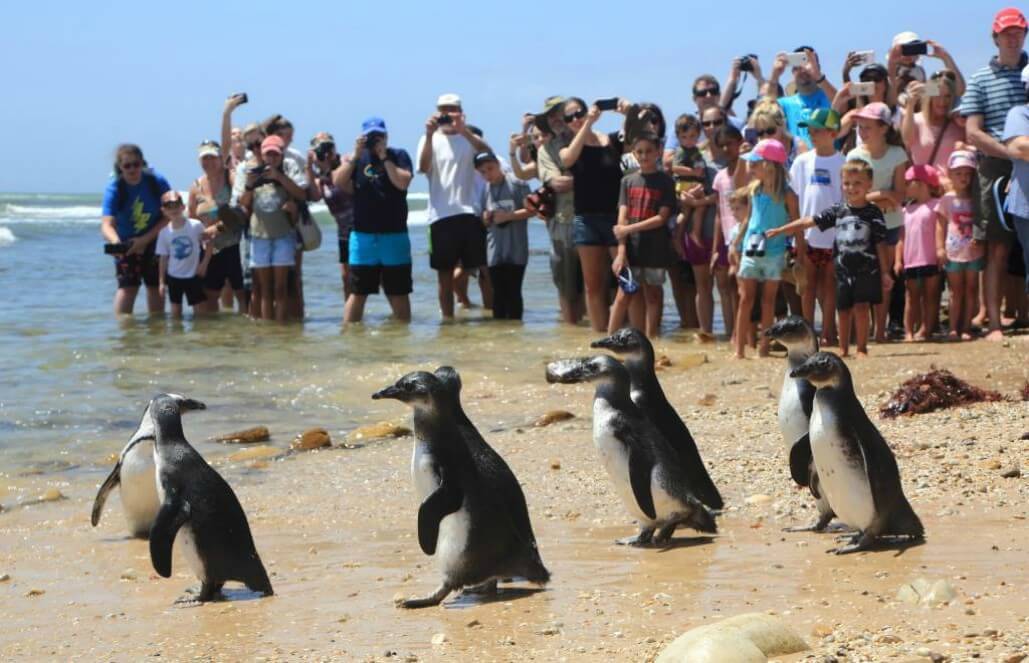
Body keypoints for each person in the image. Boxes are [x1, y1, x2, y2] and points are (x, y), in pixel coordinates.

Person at [768, 160, 892, 357]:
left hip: (867, 269)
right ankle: (843, 349)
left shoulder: (873, 212)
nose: (851, 188)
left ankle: (861, 348)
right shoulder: (838, 210)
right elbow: (809, 221)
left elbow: (881, 243)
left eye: (858, 183)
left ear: (869, 184)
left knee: (861, 308)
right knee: (842, 309)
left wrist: (885, 272)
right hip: (843, 270)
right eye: (847, 183)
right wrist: (782, 230)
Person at [958, 7, 1028, 341]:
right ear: (995, 37)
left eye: (1019, 32)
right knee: (996, 247)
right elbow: (972, 131)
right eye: (1007, 33)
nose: (1014, 38)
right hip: (997, 165)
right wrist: (1010, 153)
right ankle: (995, 323)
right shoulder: (980, 78)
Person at [417, 93, 492, 320]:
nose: (448, 114)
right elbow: (423, 166)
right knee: (444, 276)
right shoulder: (428, 138)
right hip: (440, 216)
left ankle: (492, 318)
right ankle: (447, 321)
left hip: (470, 213)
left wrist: (464, 130)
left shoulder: (467, 138)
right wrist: (430, 135)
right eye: (443, 110)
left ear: (460, 111)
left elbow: (488, 155)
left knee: (483, 271)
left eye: (452, 109)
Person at [560, 97, 628, 332]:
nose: (575, 119)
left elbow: (636, 138)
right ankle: (600, 334)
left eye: (578, 113)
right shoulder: (568, 147)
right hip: (586, 219)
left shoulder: (610, 140)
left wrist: (628, 112)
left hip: (615, 217)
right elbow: (568, 159)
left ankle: (624, 330)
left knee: (625, 278)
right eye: (569, 117)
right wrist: (587, 124)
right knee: (593, 286)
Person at [338, 117, 414, 324]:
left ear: (386, 136)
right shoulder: (355, 158)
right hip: (363, 237)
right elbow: (339, 182)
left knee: (398, 292)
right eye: (371, 136)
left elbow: (402, 183)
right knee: (358, 292)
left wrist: (384, 158)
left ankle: (401, 337)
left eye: (379, 136)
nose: (375, 140)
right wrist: (354, 156)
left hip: (394, 235)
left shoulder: (398, 155)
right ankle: (350, 336)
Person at [847, 101, 909, 341]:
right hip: (862, 225)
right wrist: (883, 195)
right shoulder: (854, 154)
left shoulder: (897, 154)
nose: (862, 132)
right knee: (864, 278)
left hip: (890, 225)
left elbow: (900, 195)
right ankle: (865, 331)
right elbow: (853, 195)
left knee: (885, 279)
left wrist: (875, 198)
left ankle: (880, 331)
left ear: (883, 128)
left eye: (867, 126)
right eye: (860, 127)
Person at [730, 139, 798, 359]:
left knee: (768, 301)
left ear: (769, 165)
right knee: (745, 299)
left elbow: (797, 225)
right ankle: (739, 351)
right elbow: (749, 219)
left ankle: (764, 349)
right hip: (751, 249)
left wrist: (802, 255)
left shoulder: (787, 194)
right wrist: (735, 244)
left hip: (775, 252)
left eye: (756, 163)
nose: (751, 167)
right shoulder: (754, 190)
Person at [609, 133, 677, 338]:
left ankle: (651, 340)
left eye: (649, 151)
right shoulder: (627, 181)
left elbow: (661, 218)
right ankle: (609, 338)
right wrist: (621, 252)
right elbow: (622, 217)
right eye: (639, 151)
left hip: (656, 247)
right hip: (632, 248)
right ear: (633, 154)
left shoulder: (665, 182)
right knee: (624, 295)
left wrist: (629, 229)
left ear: (658, 152)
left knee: (653, 295)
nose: (644, 155)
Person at [236, 135, 307, 323]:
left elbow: (301, 194)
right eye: (269, 155)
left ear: (281, 155)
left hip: (284, 235)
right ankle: (268, 328)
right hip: (258, 235)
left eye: (276, 155)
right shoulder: (252, 171)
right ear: (262, 154)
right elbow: (242, 203)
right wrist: (250, 185)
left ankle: (280, 325)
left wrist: (279, 177)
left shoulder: (288, 169)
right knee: (264, 288)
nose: (272, 159)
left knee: (281, 287)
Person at [790, 109, 845, 345]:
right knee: (807, 286)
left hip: (834, 235)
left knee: (829, 286)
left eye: (818, 130)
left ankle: (829, 331)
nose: (812, 135)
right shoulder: (802, 161)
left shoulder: (843, 162)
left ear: (832, 132)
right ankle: (808, 333)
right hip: (808, 234)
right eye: (810, 131)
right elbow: (795, 196)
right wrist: (798, 236)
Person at [100, 144, 172, 316]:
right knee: (127, 287)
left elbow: (170, 215)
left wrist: (145, 240)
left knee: (155, 286)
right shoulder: (115, 188)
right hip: (127, 242)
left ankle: (156, 331)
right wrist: (117, 244)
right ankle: (124, 334)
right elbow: (106, 224)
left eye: (136, 164)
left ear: (143, 163)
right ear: (120, 168)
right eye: (127, 166)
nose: (132, 169)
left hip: (155, 237)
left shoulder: (157, 181)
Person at [534, 96, 585, 325]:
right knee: (565, 288)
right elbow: (557, 183)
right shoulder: (546, 150)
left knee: (597, 286)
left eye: (559, 113)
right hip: (561, 225)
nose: (555, 119)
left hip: (593, 220)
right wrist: (589, 179)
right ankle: (570, 335)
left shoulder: (590, 140)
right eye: (550, 116)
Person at [188, 140, 245, 314]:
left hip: (235, 246)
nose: (208, 162)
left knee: (243, 295)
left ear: (221, 158)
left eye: (212, 158)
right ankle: (215, 338)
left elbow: (242, 210)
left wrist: (217, 228)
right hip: (210, 252)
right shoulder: (196, 186)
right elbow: (192, 219)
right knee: (210, 297)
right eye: (204, 158)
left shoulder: (232, 178)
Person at [474, 152, 534, 320]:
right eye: (482, 172)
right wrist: (485, 218)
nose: (487, 175)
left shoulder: (517, 183)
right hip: (494, 249)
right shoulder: (485, 188)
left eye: (490, 169)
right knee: (498, 295)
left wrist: (509, 216)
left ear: (498, 164)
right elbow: (483, 217)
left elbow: (533, 210)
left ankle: (516, 334)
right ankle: (500, 339)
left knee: (514, 293)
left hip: (516, 249)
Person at [937, 150, 984, 340]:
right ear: (950, 174)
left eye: (968, 173)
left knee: (971, 289)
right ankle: (953, 328)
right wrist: (939, 248)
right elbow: (940, 225)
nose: (964, 178)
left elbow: (982, 222)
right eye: (959, 173)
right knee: (956, 291)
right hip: (953, 251)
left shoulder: (977, 198)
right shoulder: (946, 199)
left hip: (974, 250)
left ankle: (966, 327)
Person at [895, 165, 944, 341]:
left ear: (922, 184)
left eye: (908, 183)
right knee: (911, 297)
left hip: (930, 258)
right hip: (911, 260)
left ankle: (926, 329)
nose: (905, 186)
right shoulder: (906, 210)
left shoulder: (936, 206)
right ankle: (908, 331)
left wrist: (940, 249)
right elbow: (902, 237)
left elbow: (940, 229)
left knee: (931, 296)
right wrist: (897, 260)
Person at [307, 132, 354, 305]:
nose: (326, 153)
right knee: (346, 276)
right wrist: (309, 166)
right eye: (321, 149)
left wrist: (329, 167)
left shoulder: (346, 163)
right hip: (343, 230)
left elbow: (347, 184)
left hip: (361, 226)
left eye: (329, 147)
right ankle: (351, 316)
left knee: (374, 274)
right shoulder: (321, 177)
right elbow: (313, 195)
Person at [710, 125, 745, 340]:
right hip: (726, 237)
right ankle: (731, 331)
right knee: (727, 286)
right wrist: (715, 249)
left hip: (745, 236)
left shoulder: (748, 171)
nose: (727, 149)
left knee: (745, 287)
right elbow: (717, 213)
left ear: (740, 142)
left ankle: (744, 332)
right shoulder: (720, 177)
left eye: (730, 143)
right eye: (722, 145)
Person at [764, 47, 838, 147]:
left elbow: (842, 106)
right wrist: (775, 74)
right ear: (792, 71)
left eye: (807, 63)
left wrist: (818, 75)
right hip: (796, 161)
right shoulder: (785, 104)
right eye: (797, 66)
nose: (803, 69)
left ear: (817, 67)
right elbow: (765, 111)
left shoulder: (829, 96)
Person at [901, 72, 966, 185]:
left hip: (951, 191)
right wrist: (910, 104)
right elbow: (907, 140)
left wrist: (945, 57)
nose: (942, 102)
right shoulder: (916, 119)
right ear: (929, 97)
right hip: (925, 192)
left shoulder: (958, 123)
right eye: (937, 96)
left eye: (947, 96)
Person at [155, 191, 211, 319]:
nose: (173, 210)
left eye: (176, 206)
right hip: (174, 276)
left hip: (193, 275)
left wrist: (204, 264)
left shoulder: (195, 225)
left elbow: (209, 243)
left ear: (183, 207)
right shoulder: (164, 233)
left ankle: (201, 335)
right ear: (163, 211)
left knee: (200, 310)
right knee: (175, 311)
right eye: (169, 207)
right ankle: (176, 336)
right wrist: (161, 282)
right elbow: (163, 258)